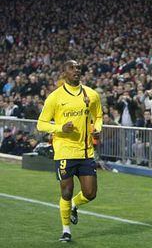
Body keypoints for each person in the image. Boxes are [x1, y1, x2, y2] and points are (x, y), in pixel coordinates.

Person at [37, 60, 103, 242]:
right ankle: (66, 231)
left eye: (78, 68)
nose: (76, 70)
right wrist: (59, 128)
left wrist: (97, 127)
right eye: (72, 68)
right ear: (64, 72)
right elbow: (41, 124)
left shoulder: (91, 94)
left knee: (90, 193)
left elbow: (98, 116)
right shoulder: (55, 97)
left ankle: (74, 204)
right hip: (65, 151)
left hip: (85, 151)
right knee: (66, 191)